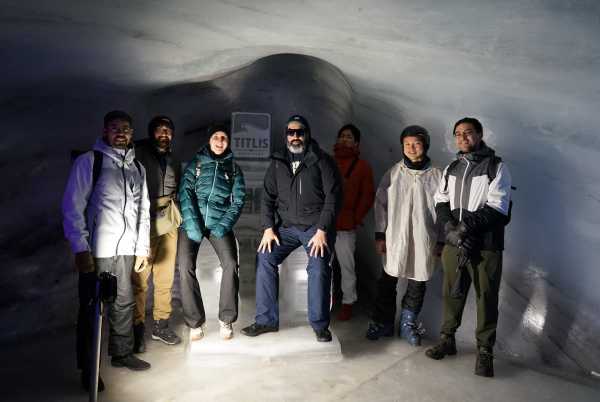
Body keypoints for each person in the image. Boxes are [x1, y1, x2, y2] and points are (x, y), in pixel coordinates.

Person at [62, 110, 152, 392]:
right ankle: (89, 369)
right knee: (91, 309)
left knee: (124, 302)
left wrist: (141, 248)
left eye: (126, 128)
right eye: (115, 128)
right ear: (105, 132)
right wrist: (80, 247)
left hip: (125, 249)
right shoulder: (90, 161)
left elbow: (143, 211)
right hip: (97, 251)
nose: (121, 132)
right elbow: (72, 205)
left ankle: (122, 353)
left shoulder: (137, 167)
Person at [241, 115, 342, 342]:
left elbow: (333, 198)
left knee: (318, 266)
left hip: (315, 229)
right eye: (291, 132)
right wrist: (268, 227)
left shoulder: (322, 161)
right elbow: (267, 197)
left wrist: (323, 230)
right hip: (286, 228)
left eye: (300, 132)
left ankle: (319, 324)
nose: (295, 136)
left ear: (307, 134)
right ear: (285, 135)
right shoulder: (278, 162)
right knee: (265, 256)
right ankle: (266, 320)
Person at [425, 117, 512, 378]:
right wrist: (451, 230)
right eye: (458, 134)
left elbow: (499, 206)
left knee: (486, 297)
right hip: (455, 243)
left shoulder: (497, 167)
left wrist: (465, 229)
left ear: (480, 135)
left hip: (486, 246)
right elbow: (441, 200)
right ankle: (447, 339)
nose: (463, 138)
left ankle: (485, 352)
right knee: (453, 291)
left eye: (468, 133)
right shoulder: (452, 167)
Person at [365, 125, 443, 346]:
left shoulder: (437, 174)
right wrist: (380, 234)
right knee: (388, 280)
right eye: (407, 144)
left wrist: (442, 239)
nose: (411, 148)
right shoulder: (394, 172)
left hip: (424, 237)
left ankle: (407, 323)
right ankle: (383, 322)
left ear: (425, 145)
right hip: (395, 236)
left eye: (416, 143)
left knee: (418, 281)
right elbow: (380, 204)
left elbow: (447, 209)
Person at [178, 124, 246, 340]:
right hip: (192, 222)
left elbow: (239, 200)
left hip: (219, 224)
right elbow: (185, 194)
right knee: (185, 266)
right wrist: (193, 225)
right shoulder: (195, 164)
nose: (219, 141)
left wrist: (222, 226)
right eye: (216, 137)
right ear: (209, 140)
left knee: (230, 264)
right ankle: (195, 322)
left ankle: (226, 319)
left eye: (224, 137)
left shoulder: (234, 169)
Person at [131, 116, 182, 352]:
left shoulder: (172, 157)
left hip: (168, 215)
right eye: (160, 130)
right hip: (145, 214)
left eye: (168, 130)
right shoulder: (138, 152)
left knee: (165, 275)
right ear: (151, 132)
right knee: (140, 278)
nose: (164, 134)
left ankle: (161, 324)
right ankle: (136, 328)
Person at [332, 124, 375, 321]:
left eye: (348, 136)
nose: (344, 139)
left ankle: (348, 302)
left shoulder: (362, 166)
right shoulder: (329, 162)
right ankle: (326, 299)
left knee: (346, 266)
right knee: (322, 265)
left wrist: (355, 218)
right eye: (342, 136)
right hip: (326, 225)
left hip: (346, 226)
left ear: (356, 142)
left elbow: (367, 196)